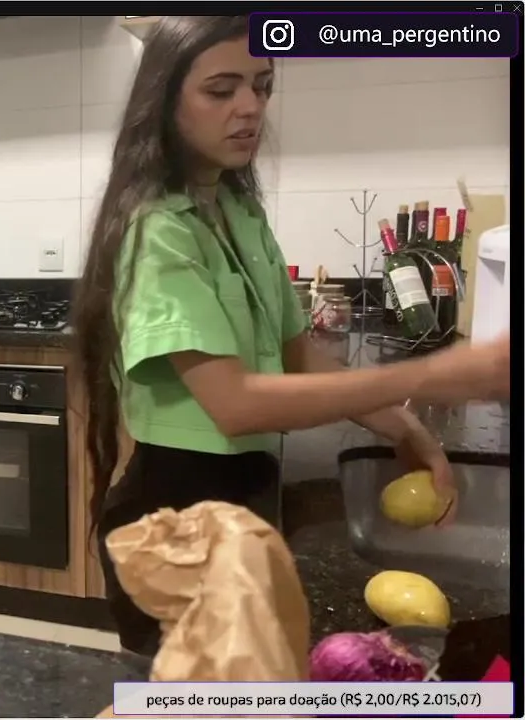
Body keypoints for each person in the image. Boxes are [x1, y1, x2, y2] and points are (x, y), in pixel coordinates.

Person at [71, 15, 511, 657]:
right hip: (178, 522)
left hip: (241, 498)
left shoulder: (237, 211)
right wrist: (431, 376)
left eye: (262, 86)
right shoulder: (159, 233)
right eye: (221, 90)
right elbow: (235, 404)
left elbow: (296, 352)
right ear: (163, 102)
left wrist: (403, 427)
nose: (250, 107)